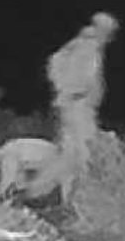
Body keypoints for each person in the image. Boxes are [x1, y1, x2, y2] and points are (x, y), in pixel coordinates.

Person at [46, 11, 119, 177]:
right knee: (78, 147)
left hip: (79, 103)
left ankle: (64, 185)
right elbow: (82, 75)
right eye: (109, 32)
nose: (110, 37)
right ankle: (69, 187)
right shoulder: (86, 46)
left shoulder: (84, 45)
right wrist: (73, 91)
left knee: (78, 145)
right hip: (76, 103)